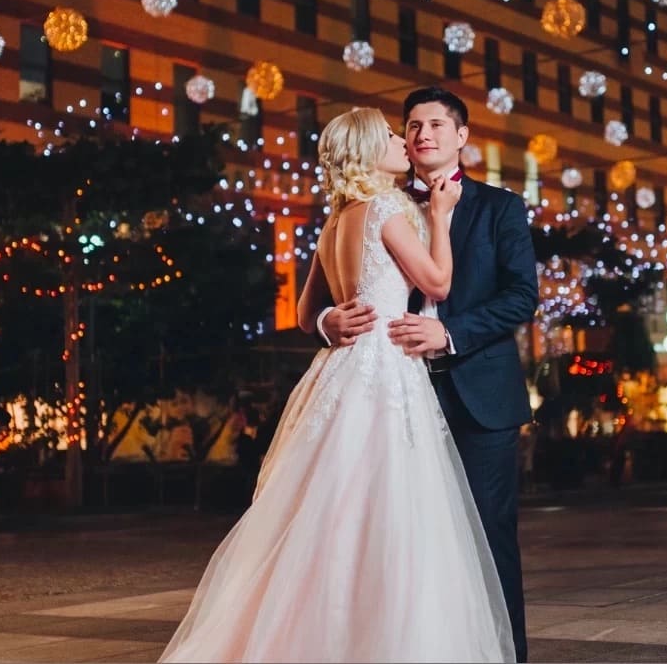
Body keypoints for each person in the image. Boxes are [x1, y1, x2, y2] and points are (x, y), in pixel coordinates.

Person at [161, 107, 518, 662]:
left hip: (344, 371)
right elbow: (439, 284)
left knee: (332, 509)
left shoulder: (337, 217)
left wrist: (331, 320)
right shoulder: (387, 206)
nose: (405, 141)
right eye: (393, 135)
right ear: (368, 151)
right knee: (392, 508)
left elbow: (307, 313)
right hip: (390, 368)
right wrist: (442, 218)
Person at [307, 87, 538, 661]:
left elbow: (521, 296)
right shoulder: (377, 201)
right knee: (399, 537)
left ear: (462, 137)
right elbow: (326, 293)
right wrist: (328, 318)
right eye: (410, 125)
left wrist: (449, 333)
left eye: (436, 124)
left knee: (486, 539)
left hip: (479, 393)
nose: (420, 134)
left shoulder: (498, 207)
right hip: (396, 394)